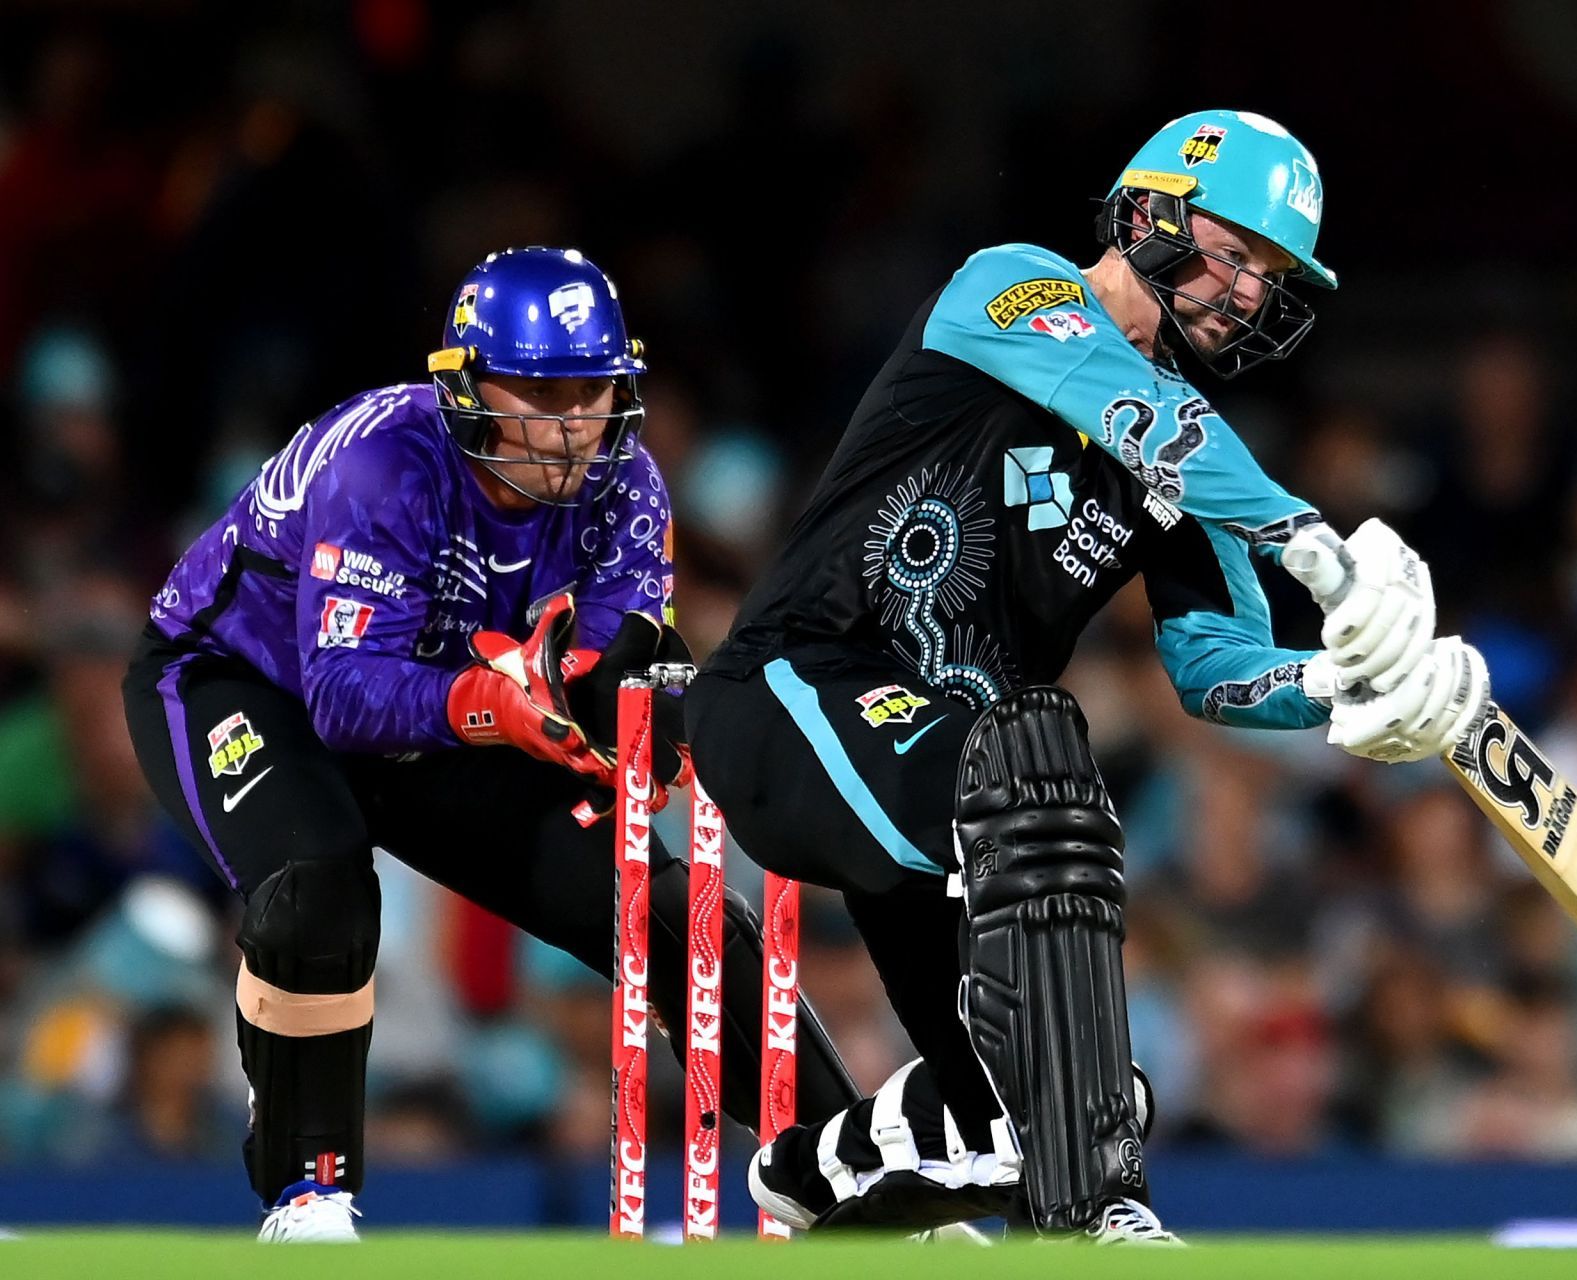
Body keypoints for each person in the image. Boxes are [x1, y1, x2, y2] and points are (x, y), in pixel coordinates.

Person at [685, 109, 1489, 1243]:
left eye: (1273, 278)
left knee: (1050, 1108)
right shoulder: (1010, 288)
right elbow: (1139, 414)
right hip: (792, 695)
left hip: (959, 794)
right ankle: (1104, 1210)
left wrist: (1348, 690)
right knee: (1039, 755)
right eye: (1238, 253)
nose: (1253, 295)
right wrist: (1319, 543)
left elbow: (1215, 666)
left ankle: (826, 1170)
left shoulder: (1199, 453)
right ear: (1151, 210)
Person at [121, 247, 859, 1242]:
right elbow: (344, 696)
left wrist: (642, 722)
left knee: (669, 910)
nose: (572, 425)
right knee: (315, 886)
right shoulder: (383, 462)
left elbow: (609, 671)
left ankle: (858, 1177)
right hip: (245, 681)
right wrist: (500, 707)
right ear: (470, 385)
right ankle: (309, 1193)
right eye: (542, 391)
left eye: (591, 391)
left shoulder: (629, 484)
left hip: (448, 709)